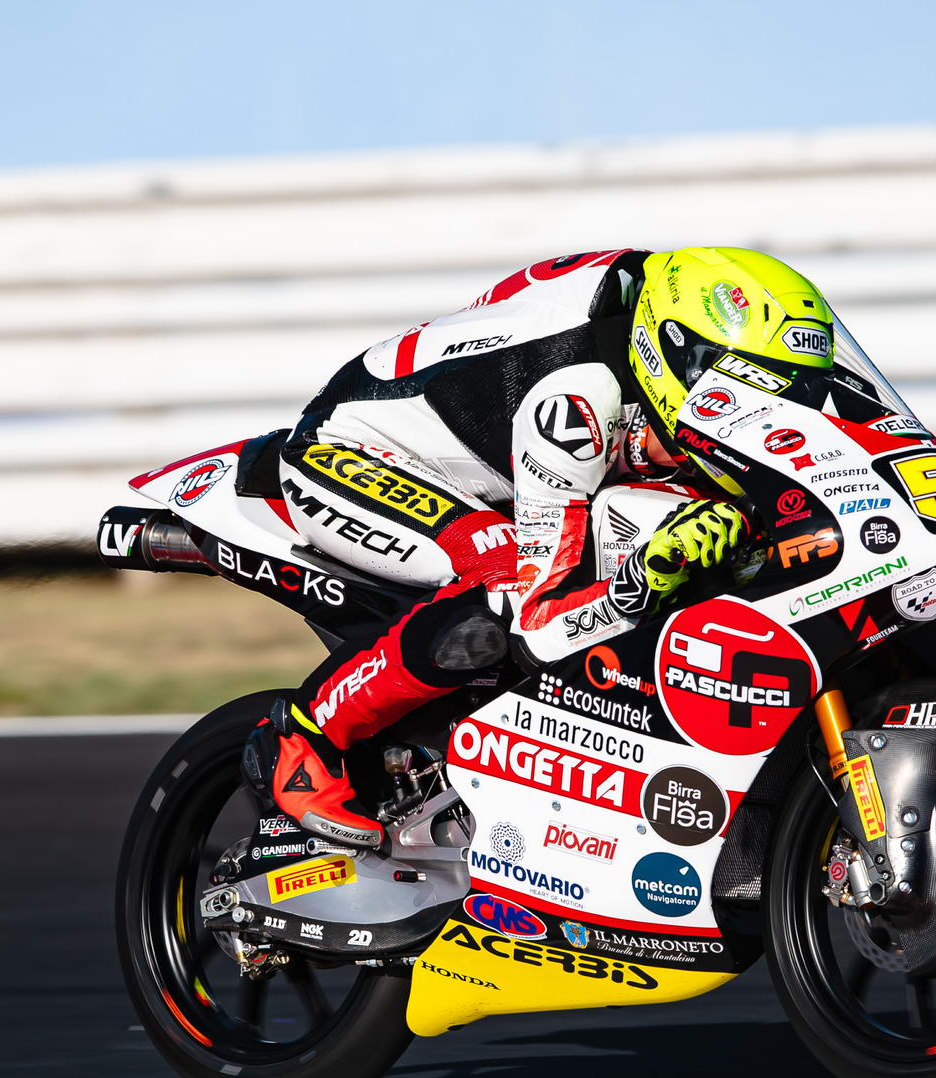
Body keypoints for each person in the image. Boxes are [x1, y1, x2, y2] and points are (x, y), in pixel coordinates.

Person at [248, 247, 841, 846]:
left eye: (794, 389)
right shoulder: (575, 401)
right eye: (744, 385)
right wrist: (641, 580)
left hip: (499, 466)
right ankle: (304, 737)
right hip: (350, 451)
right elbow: (538, 625)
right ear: (673, 352)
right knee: (501, 577)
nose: (769, 408)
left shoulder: (663, 328)